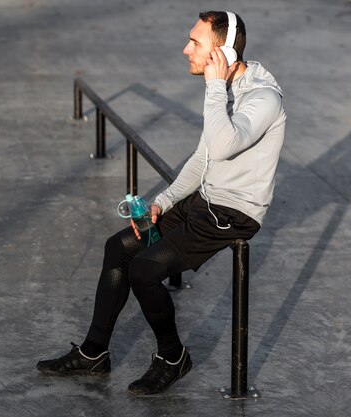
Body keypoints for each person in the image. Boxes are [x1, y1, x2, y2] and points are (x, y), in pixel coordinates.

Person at [37, 10, 286, 396]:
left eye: (196, 43)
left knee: (144, 270)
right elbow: (203, 157)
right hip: (204, 199)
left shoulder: (263, 98)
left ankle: (172, 358)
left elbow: (223, 145)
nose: (186, 48)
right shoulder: (227, 89)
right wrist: (166, 200)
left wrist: (214, 87)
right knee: (118, 248)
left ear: (222, 54)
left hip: (233, 214)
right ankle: (93, 353)